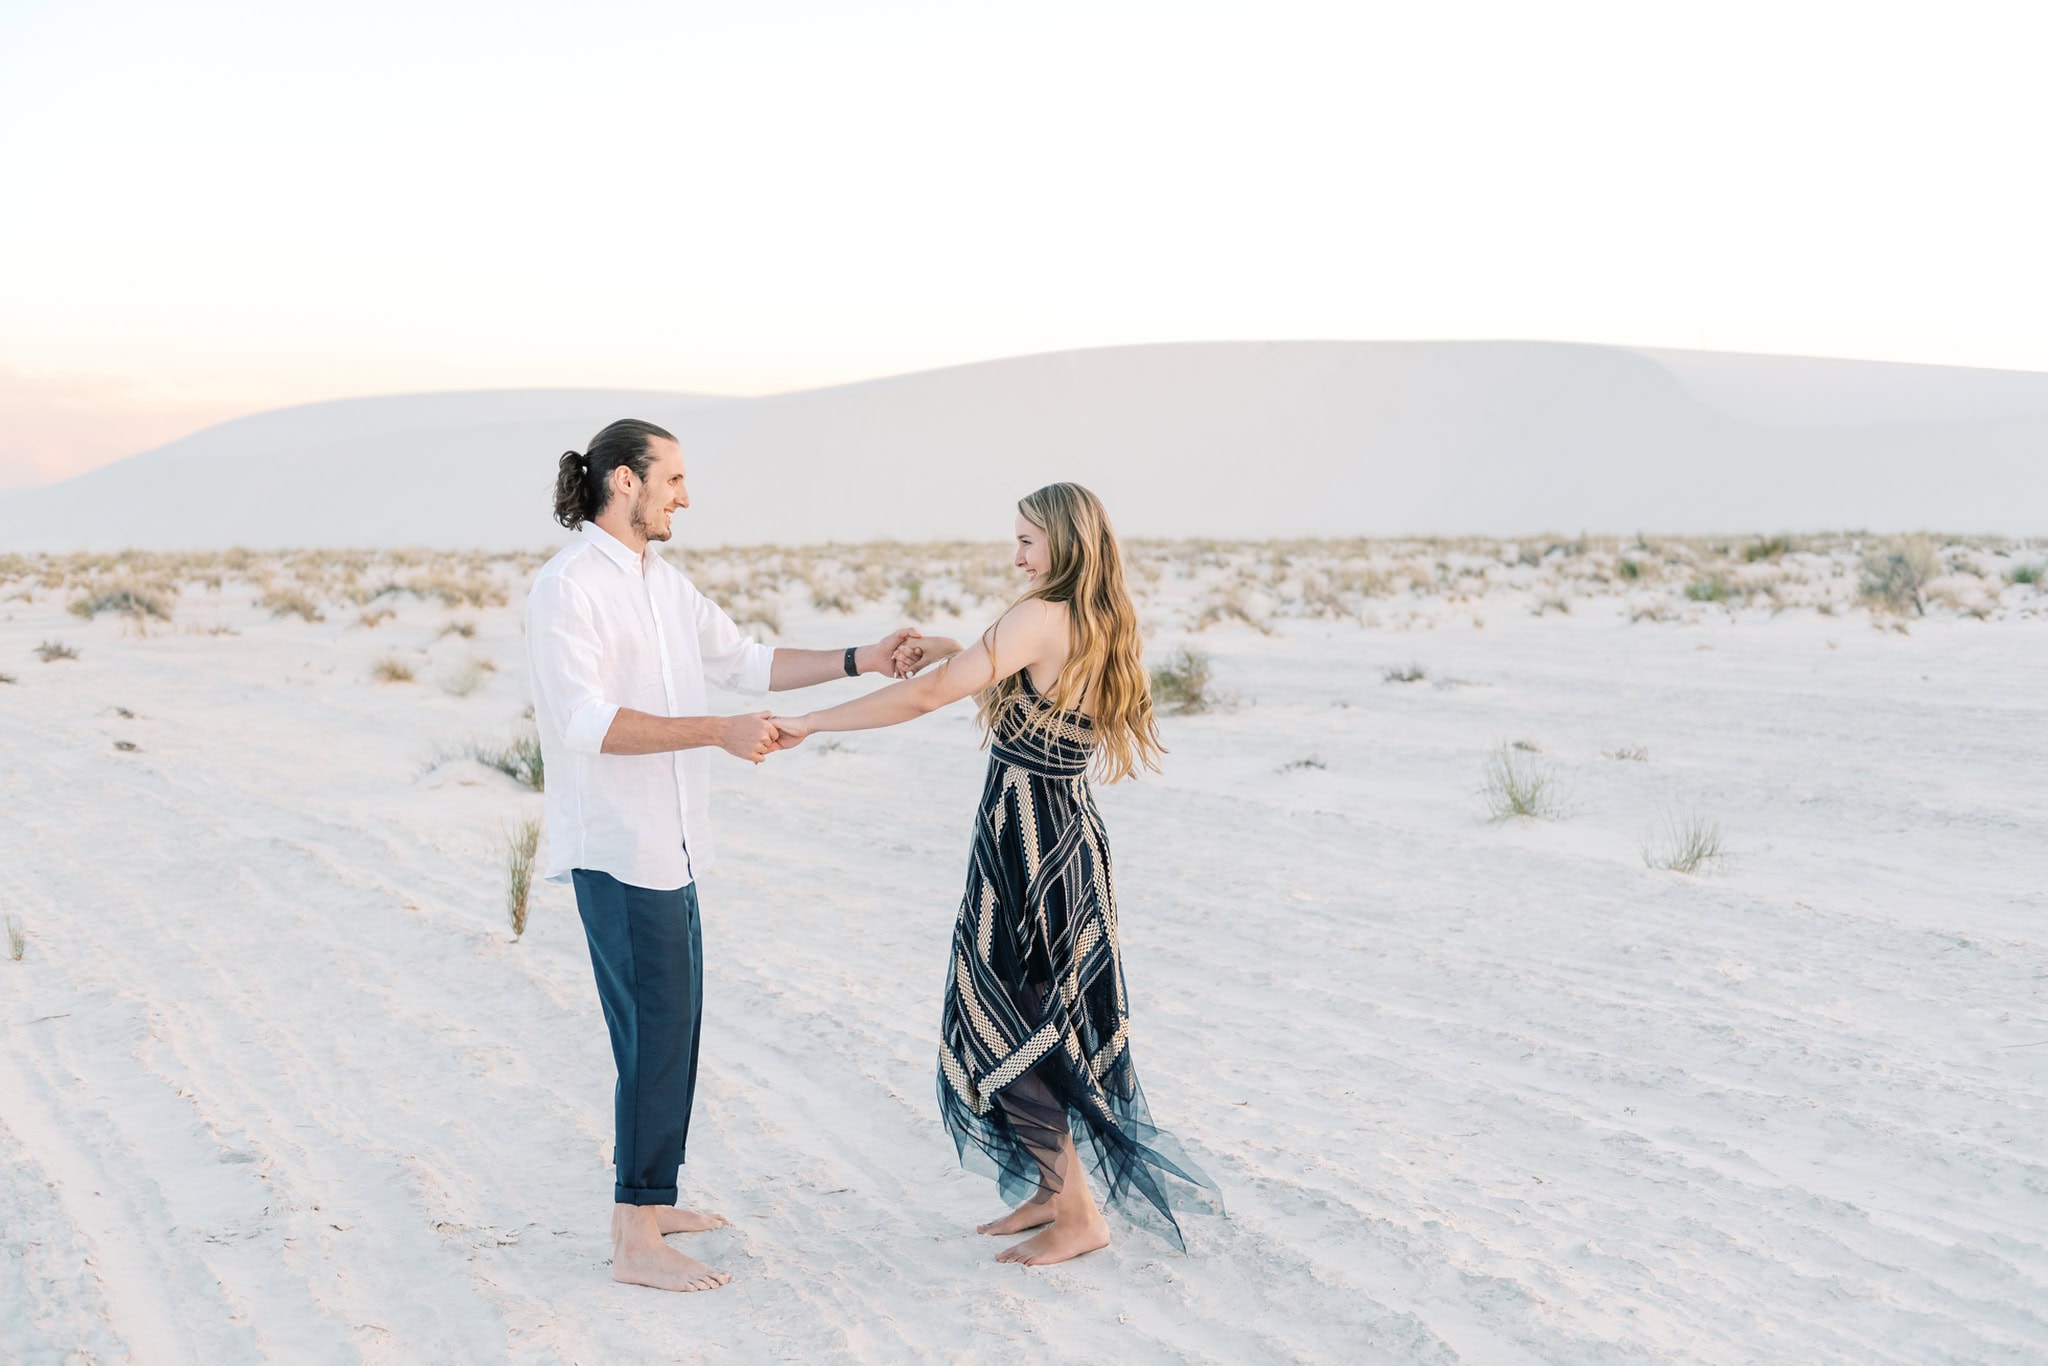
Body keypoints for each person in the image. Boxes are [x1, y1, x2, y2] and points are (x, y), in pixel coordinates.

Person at [771, 482, 1218, 1265]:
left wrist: (812, 721)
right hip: (1066, 837)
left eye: (1026, 540)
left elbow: (930, 699)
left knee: (1003, 1016)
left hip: (1027, 845)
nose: (1016, 555)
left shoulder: (1038, 615)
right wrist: (956, 646)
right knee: (1038, 1007)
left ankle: (1078, 1213)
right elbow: (1003, 672)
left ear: (1065, 541)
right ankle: (1052, 1191)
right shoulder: (1097, 614)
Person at [526, 417, 922, 1293]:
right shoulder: (567, 590)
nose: (685, 496)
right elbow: (589, 724)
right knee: (652, 1036)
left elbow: (747, 662)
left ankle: (653, 1197)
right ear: (623, 481)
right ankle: (635, 1235)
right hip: (618, 849)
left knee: (677, 1029)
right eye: (672, 478)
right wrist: (719, 734)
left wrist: (868, 656)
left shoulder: (662, 583)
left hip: (675, 844)